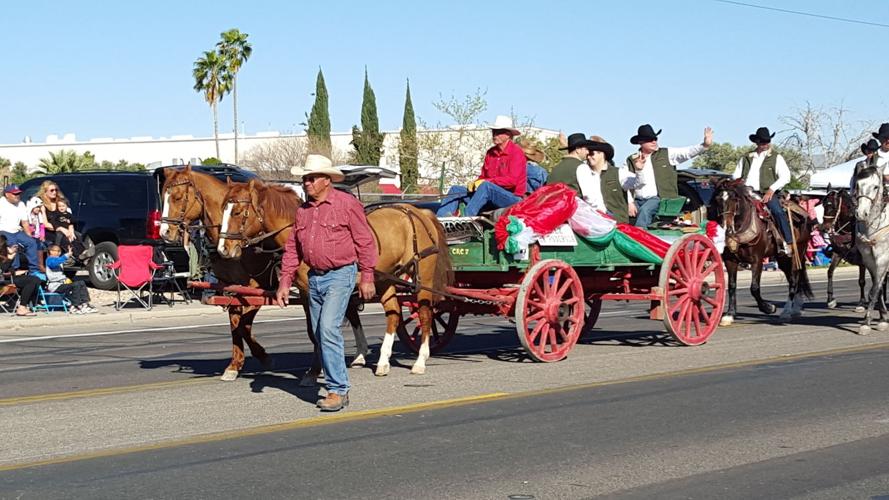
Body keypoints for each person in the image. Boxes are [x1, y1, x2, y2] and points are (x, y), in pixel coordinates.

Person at [275, 154, 378, 412]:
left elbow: (365, 241)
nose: (306, 183)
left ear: (326, 180)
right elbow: (293, 249)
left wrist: (367, 276)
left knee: (328, 329)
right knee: (319, 333)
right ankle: (335, 383)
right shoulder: (303, 211)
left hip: (341, 275)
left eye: (311, 178)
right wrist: (285, 281)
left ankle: (338, 390)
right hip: (314, 278)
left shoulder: (346, 204)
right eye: (305, 179)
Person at [436, 115, 527, 217]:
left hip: (512, 198)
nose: (494, 135)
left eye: (498, 132)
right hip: (489, 194)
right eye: (493, 131)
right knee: (456, 189)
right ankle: (440, 222)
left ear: (508, 135)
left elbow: (512, 181)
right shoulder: (490, 153)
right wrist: (475, 183)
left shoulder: (516, 153)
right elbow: (483, 177)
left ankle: (466, 219)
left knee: (485, 186)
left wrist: (485, 182)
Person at [626, 124, 713, 228]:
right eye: (650, 139)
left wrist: (704, 145)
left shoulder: (667, 153)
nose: (654, 141)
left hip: (660, 199)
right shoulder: (631, 159)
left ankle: (639, 239)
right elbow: (625, 183)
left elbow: (687, 152)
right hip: (638, 200)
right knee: (621, 212)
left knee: (645, 211)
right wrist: (629, 202)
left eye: (655, 138)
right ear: (640, 142)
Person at [732, 126, 794, 254]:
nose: (766, 145)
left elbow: (785, 176)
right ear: (757, 142)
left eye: (767, 142)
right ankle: (729, 241)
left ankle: (787, 242)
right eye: (763, 142)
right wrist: (739, 183)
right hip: (746, 193)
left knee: (777, 212)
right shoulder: (746, 158)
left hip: (767, 192)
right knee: (729, 211)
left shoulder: (776, 157)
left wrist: (771, 190)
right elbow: (735, 175)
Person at [583, 135, 646, 220]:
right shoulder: (583, 174)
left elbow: (639, 184)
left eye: (591, 153)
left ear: (602, 154)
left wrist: (639, 170)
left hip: (618, 227)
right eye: (587, 154)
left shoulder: (618, 173)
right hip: (593, 227)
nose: (588, 157)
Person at [0, 184, 45, 280]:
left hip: (16, 231)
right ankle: (14, 270)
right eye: (14, 194)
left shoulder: (21, 204)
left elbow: (24, 222)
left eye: (19, 194)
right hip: (3, 231)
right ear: (7, 194)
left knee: (31, 242)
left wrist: (29, 236)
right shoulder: (1, 204)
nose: (17, 196)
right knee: (12, 245)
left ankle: (34, 270)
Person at [45, 244, 97, 314]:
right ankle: (74, 306)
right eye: (56, 251)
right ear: (50, 251)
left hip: (63, 283)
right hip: (55, 285)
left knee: (81, 282)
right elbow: (54, 263)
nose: (58, 253)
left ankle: (85, 304)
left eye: (59, 251)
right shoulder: (49, 260)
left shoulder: (59, 260)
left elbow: (63, 261)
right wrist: (66, 255)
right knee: (75, 285)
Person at [0, 235, 40, 316]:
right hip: (3, 282)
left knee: (36, 279)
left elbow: (9, 272)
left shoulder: (4, 256)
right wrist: (10, 258)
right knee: (31, 280)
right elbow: (2, 270)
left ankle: (27, 305)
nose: (7, 246)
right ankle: (22, 307)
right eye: (6, 245)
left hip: (7, 279)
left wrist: (22, 271)